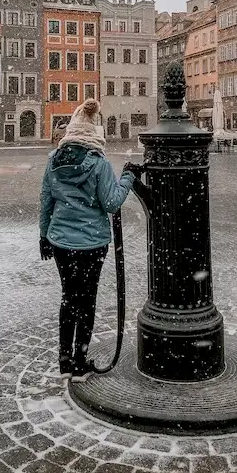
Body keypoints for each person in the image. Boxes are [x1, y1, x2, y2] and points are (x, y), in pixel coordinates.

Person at [40, 98, 140, 382]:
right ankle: (81, 360)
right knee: (87, 300)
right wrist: (128, 179)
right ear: (95, 133)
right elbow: (111, 202)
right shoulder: (98, 163)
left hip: (60, 242)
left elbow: (46, 201)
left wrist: (43, 236)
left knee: (68, 299)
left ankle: (64, 358)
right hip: (91, 244)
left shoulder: (53, 161)